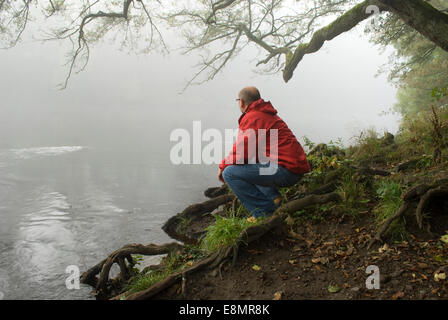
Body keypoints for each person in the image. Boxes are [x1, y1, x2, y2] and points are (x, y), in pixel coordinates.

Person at [218, 86, 310, 221]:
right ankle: (273, 198)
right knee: (252, 159)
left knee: (229, 173)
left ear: (242, 102)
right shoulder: (265, 113)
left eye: (238, 100)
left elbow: (241, 151)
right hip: (292, 168)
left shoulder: (253, 117)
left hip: (286, 171)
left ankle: (265, 213)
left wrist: (222, 167)